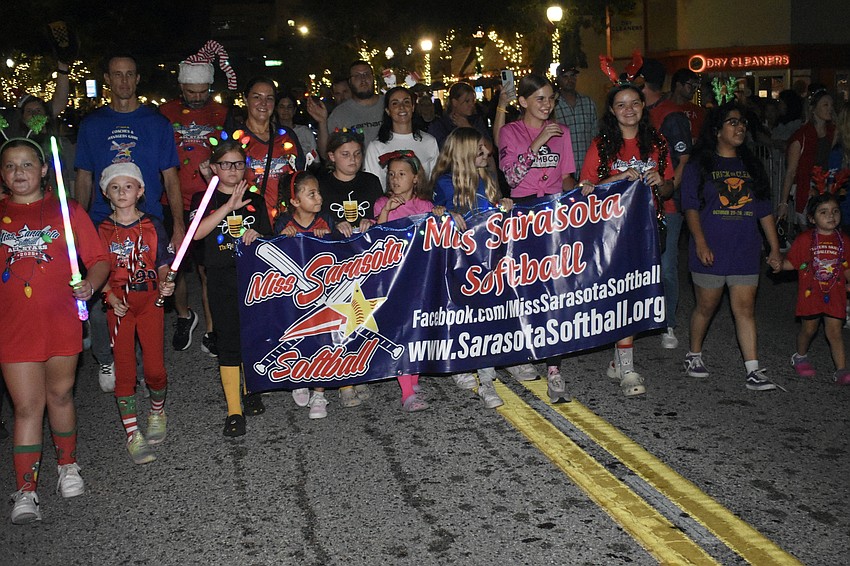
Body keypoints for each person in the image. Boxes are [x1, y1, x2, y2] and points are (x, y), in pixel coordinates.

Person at [1, 137, 110, 524]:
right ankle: (26, 489)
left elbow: (100, 258)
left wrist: (91, 285)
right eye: (10, 166)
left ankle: (67, 466)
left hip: (61, 320)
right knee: (26, 407)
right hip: (13, 327)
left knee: (60, 395)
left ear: (44, 169)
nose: (19, 172)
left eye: (27, 164)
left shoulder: (67, 209)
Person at [74, 53, 184, 393]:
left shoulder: (157, 123)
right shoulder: (92, 125)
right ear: (108, 79)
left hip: (147, 222)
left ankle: (147, 361)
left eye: (129, 74)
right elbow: (84, 177)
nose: (123, 80)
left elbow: (171, 177)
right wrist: (77, 225)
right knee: (103, 291)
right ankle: (109, 357)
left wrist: (178, 225)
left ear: (137, 79)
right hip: (101, 222)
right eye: (117, 74)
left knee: (144, 290)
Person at [579, 81, 674, 397]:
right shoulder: (602, 145)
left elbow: (670, 188)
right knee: (623, 295)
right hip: (612, 233)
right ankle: (628, 368)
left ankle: (619, 362)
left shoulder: (657, 143)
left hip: (649, 231)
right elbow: (585, 189)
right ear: (611, 110)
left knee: (636, 295)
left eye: (634, 102)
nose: (629, 109)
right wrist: (617, 177)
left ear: (643, 106)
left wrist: (660, 182)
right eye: (621, 104)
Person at [680, 102, 783, 391]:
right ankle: (693, 354)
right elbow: (690, 207)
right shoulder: (699, 165)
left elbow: (764, 211)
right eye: (733, 122)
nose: (740, 128)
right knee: (707, 306)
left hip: (745, 249)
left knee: (745, 308)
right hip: (711, 248)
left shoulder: (751, 166)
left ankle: (753, 369)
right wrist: (700, 243)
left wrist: (774, 249)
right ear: (717, 130)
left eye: (743, 123)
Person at [498, 73, 576, 402]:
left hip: (554, 213)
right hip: (523, 213)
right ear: (523, 101)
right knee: (526, 287)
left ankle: (554, 368)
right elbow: (512, 178)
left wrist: (579, 196)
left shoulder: (563, 132)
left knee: (555, 289)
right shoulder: (510, 132)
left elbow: (567, 176)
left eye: (550, 99)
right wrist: (538, 142)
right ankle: (521, 351)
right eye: (540, 98)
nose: (547, 105)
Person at [159, 40, 235, 355]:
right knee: (173, 265)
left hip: (209, 199)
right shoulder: (165, 113)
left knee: (208, 269)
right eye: (191, 91)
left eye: (203, 91)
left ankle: (212, 329)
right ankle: (183, 316)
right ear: (181, 86)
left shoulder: (222, 113)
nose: (197, 97)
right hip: (172, 199)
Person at [97, 163, 175, 464]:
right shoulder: (102, 230)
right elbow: (96, 269)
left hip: (151, 302)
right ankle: (132, 433)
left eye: (128, 186)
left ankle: (157, 412)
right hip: (120, 306)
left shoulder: (153, 224)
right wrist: (108, 294)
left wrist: (167, 282)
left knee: (154, 369)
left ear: (140, 191)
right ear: (106, 193)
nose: (122, 192)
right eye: (115, 187)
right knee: (125, 370)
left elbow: (162, 262)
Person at [194, 140, 272, 436]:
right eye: (226, 164)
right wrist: (227, 206)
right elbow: (196, 233)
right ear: (215, 167)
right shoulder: (205, 198)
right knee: (228, 341)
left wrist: (258, 235)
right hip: (221, 279)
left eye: (239, 164)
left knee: (252, 337)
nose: (233, 170)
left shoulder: (256, 200)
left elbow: (269, 238)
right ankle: (234, 410)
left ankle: (251, 390)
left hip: (252, 280)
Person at [275, 172, 355, 419]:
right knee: (298, 335)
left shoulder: (326, 219)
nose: (319, 197)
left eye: (318, 192)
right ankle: (299, 376)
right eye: (312, 194)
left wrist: (338, 229)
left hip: (325, 293)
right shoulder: (283, 222)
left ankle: (319, 395)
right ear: (295, 201)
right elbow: (272, 252)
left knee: (323, 339)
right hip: (296, 296)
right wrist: (283, 238)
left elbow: (343, 247)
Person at [374, 152, 442, 411]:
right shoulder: (383, 203)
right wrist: (386, 211)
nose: (395, 179)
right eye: (391, 174)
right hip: (394, 279)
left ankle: (413, 380)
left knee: (418, 329)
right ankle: (407, 393)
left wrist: (439, 214)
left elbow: (435, 237)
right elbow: (377, 236)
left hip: (419, 278)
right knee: (402, 331)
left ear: (415, 178)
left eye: (401, 174)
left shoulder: (424, 206)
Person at [641, 61, 696, 350]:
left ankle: (668, 322)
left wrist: (670, 189)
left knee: (665, 265)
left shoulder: (671, 116)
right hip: (638, 204)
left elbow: (683, 160)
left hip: (667, 203)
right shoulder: (638, 112)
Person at [782, 192, 850, 384]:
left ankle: (841, 370)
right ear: (812, 218)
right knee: (809, 329)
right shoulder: (805, 239)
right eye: (824, 212)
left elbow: (846, 266)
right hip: (811, 294)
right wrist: (778, 264)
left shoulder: (844, 241)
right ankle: (800, 356)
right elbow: (792, 263)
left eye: (835, 211)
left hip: (835, 294)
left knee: (835, 332)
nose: (831, 216)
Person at [239, 76, 306, 230]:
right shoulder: (235, 138)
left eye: (269, 98)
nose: (263, 103)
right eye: (257, 97)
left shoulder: (286, 136)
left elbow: (300, 178)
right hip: (251, 223)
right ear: (245, 99)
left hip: (288, 223)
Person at [778, 86, 836, 231]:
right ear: (813, 109)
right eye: (825, 105)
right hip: (807, 189)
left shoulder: (834, 133)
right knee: (811, 232)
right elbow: (791, 172)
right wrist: (783, 203)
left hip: (829, 187)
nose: (830, 109)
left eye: (831, 105)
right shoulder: (801, 136)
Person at [363, 87, 440, 190]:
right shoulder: (376, 146)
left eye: (406, 102)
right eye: (395, 103)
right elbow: (372, 187)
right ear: (388, 110)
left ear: (413, 107)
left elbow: (435, 183)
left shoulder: (429, 142)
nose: (402, 107)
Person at [315, 61, 385, 158]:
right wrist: (322, 122)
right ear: (350, 82)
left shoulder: (389, 104)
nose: (363, 79)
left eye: (366, 74)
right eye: (357, 76)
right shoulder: (339, 113)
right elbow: (325, 153)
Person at [319, 128, 383, 231]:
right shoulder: (321, 185)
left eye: (357, 153)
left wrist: (371, 222)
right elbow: (315, 220)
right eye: (345, 154)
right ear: (332, 156)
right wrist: (333, 226)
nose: (353, 159)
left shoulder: (371, 181)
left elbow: (383, 215)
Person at [552, 64, 598, 177]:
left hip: (587, 166)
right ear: (558, 79)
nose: (570, 80)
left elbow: (595, 135)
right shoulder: (553, 105)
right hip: (563, 170)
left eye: (572, 76)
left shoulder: (588, 103)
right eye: (565, 77)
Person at [428, 82, 491, 149]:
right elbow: (443, 149)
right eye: (467, 101)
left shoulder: (476, 121)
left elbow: (488, 148)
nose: (472, 105)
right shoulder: (439, 126)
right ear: (454, 102)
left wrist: (468, 127)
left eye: (473, 101)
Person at [275, 93, 317, 158]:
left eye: (289, 107)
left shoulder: (304, 131)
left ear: (294, 110)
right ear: (276, 109)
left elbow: (315, 158)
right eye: (282, 107)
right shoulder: (271, 132)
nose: (286, 110)